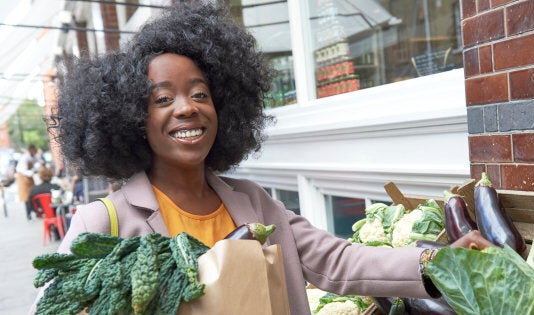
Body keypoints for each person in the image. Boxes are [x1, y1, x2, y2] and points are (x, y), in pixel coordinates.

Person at [45, 3, 492, 314]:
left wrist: (438, 259)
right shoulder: (103, 224)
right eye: (163, 99)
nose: (187, 108)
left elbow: (338, 262)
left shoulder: (254, 203)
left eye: (200, 93)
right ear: (132, 118)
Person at [16, 144, 40, 220]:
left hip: (29, 177)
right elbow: (23, 170)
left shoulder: (33, 156)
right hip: (23, 177)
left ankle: (35, 212)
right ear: (30, 150)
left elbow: (38, 161)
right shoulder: (25, 158)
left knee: (33, 194)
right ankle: (28, 214)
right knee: (26, 197)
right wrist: (33, 172)